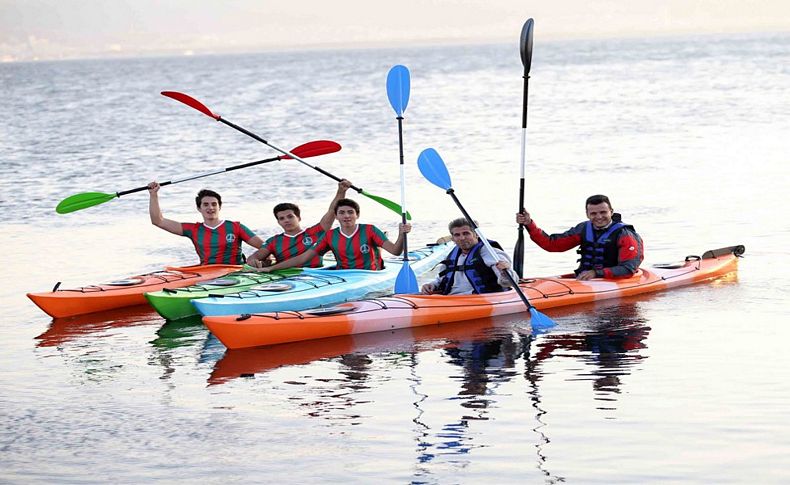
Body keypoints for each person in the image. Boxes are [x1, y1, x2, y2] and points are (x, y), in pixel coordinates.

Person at [256, 196, 411, 272]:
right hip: (343, 276)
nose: (346, 216)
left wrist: (401, 234)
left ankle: (379, 252)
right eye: (342, 213)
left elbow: (396, 251)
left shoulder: (370, 230)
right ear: (336, 216)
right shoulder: (330, 236)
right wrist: (272, 268)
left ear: (357, 215)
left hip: (369, 275)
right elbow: (303, 258)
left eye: (350, 212)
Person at [516, 194, 643, 280]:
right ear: (587, 214)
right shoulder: (583, 229)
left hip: (613, 281)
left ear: (611, 211)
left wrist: (595, 273)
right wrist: (529, 223)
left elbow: (628, 269)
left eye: (603, 212)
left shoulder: (625, 234)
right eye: (593, 213)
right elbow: (551, 244)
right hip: (585, 280)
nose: (599, 217)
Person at [147, 182, 263, 265]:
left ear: (220, 206)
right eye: (206, 205)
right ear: (199, 208)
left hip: (236, 272)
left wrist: (255, 257)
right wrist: (153, 195)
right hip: (207, 274)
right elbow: (158, 221)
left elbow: (265, 247)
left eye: (214, 204)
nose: (210, 208)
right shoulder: (193, 229)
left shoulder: (235, 227)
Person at [246, 180, 352, 269]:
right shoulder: (273, 241)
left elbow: (332, 212)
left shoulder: (315, 232)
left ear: (299, 218)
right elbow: (256, 256)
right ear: (278, 222)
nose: (286, 220)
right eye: (282, 218)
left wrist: (341, 191)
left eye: (290, 216)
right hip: (286, 276)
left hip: (317, 273)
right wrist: (253, 261)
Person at [421, 218, 517, 295]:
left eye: (466, 233)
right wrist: (432, 285)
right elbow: (442, 278)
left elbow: (509, 283)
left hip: (478, 299)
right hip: (451, 298)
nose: (462, 238)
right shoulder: (452, 255)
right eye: (457, 235)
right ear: (453, 239)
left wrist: (505, 272)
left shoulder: (491, 253)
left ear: (476, 235)